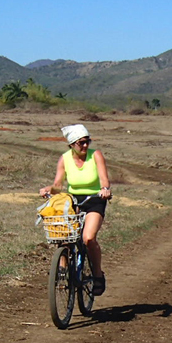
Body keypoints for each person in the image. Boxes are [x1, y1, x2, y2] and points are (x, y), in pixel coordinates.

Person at [39, 124, 112, 296]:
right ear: (72, 144)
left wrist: (105, 190)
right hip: (73, 201)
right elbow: (58, 185)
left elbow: (104, 179)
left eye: (87, 142)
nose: (85, 146)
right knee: (64, 236)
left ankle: (97, 275)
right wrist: (49, 189)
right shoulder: (64, 159)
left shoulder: (96, 155)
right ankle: (63, 269)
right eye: (81, 143)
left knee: (88, 238)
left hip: (95, 200)